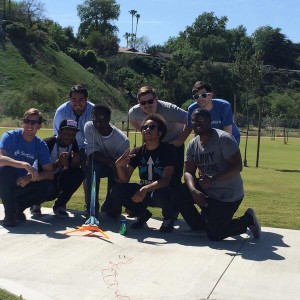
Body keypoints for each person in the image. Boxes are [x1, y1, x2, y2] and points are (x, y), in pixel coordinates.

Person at [177, 108, 261, 240]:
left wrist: (213, 179)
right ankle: (201, 226)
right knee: (179, 192)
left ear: (210, 121)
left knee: (215, 234)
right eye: (193, 120)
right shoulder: (193, 145)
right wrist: (193, 190)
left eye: (200, 119)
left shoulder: (223, 139)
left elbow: (238, 166)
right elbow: (188, 172)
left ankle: (248, 219)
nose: (196, 123)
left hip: (228, 194)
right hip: (207, 191)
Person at [111, 114, 178, 233]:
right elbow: (125, 179)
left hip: (162, 191)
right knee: (116, 191)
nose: (147, 130)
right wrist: (118, 166)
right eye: (144, 127)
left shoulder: (168, 150)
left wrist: (144, 189)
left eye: (152, 127)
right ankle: (142, 214)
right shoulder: (137, 152)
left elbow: (165, 180)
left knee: (161, 193)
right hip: (145, 192)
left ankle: (168, 218)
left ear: (160, 133)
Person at [0, 108, 54, 227]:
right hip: (3, 182)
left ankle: (17, 209)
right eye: (27, 121)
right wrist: (24, 165)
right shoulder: (10, 136)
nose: (30, 125)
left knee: (48, 187)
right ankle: (9, 215)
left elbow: (50, 173)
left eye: (34, 122)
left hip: (21, 182)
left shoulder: (40, 145)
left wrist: (30, 177)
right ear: (22, 122)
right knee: (7, 170)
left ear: (39, 126)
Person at [129, 85, 188, 185]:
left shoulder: (170, 109)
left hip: (173, 144)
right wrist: (147, 134)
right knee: (152, 177)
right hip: (154, 146)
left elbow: (190, 119)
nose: (147, 105)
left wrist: (180, 140)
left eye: (150, 101)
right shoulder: (134, 112)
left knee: (174, 179)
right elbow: (133, 121)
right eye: (143, 103)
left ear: (156, 99)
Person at [30, 119, 85, 217]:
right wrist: (57, 164)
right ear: (59, 132)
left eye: (73, 134)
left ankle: (60, 205)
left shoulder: (73, 143)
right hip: (42, 178)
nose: (69, 137)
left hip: (58, 176)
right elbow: (37, 170)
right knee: (48, 188)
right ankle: (35, 202)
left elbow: (72, 167)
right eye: (66, 133)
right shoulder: (48, 143)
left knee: (79, 173)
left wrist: (75, 163)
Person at [52, 84, 94, 212]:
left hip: (87, 147)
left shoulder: (93, 110)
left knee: (87, 173)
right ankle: (61, 203)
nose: (77, 103)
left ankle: (89, 205)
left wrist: (87, 154)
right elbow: (56, 134)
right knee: (61, 171)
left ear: (86, 99)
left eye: (81, 100)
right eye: (73, 99)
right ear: (69, 99)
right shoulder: (61, 111)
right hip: (67, 146)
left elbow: (95, 135)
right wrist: (64, 153)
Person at [84, 104, 129, 218]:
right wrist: (112, 162)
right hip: (102, 163)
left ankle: (110, 203)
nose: (96, 119)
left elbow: (123, 168)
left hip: (115, 167)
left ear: (109, 118)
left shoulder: (122, 141)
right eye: (94, 116)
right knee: (92, 166)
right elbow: (92, 154)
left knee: (114, 212)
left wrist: (117, 203)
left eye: (101, 115)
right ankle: (92, 208)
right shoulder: (89, 127)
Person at [179, 81, 240, 145]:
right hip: (210, 139)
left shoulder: (224, 106)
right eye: (196, 96)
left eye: (203, 95)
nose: (200, 99)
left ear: (211, 95)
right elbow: (197, 133)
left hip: (230, 137)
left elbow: (227, 133)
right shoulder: (192, 109)